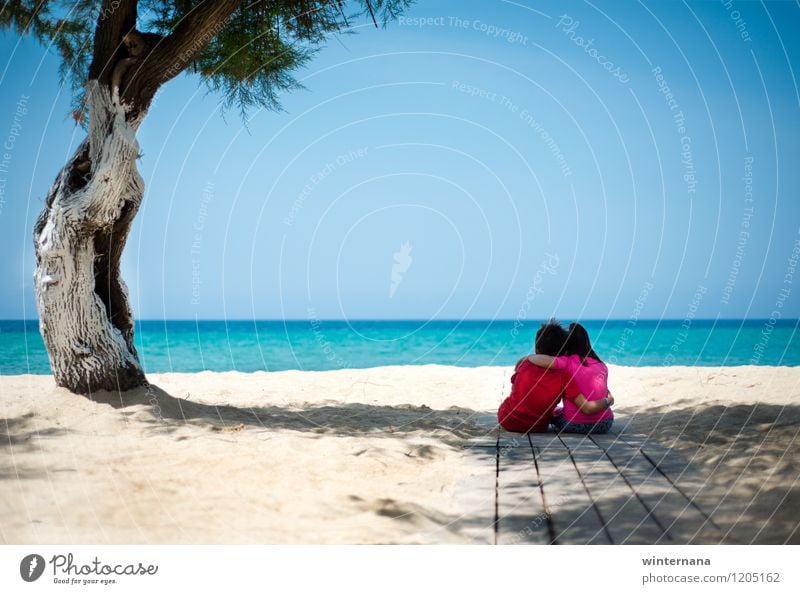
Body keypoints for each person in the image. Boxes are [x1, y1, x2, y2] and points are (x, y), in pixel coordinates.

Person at [498, 320, 611, 433]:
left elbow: (515, 389)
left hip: (508, 420)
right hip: (540, 426)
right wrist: (608, 400)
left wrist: (527, 358)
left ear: (537, 348)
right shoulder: (571, 373)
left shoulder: (527, 365)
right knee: (553, 410)